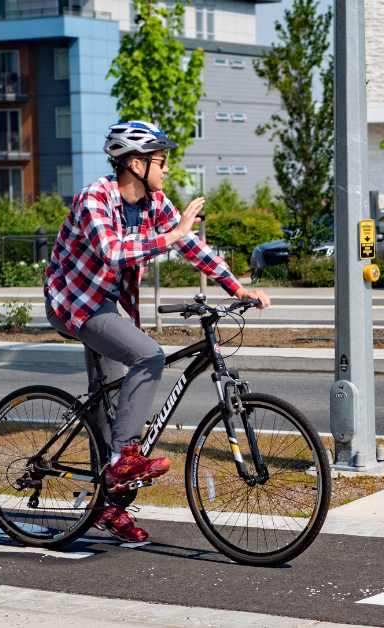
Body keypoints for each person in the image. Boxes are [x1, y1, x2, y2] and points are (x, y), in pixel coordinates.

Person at [44, 121, 270, 542]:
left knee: (113, 403)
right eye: (160, 162)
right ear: (135, 163)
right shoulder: (95, 197)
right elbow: (111, 252)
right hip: (73, 301)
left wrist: (237, 286)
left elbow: (192, 247)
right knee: (148, 356)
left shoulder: (154, 204)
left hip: (108, 304)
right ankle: (123, 460)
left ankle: (106, 504)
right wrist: (172, 236)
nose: (166, 170)